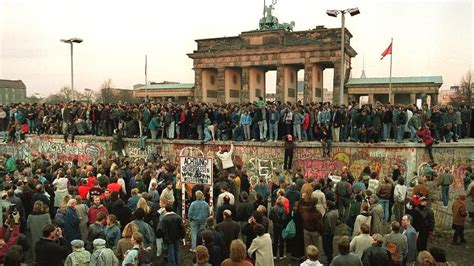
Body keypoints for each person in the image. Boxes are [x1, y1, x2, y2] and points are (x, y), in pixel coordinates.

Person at [160, 202, 184, 266]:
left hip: (168, 238)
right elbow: (182, 228)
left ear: (165, 209)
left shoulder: (164, 219)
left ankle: (172, 264)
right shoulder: (178, 217)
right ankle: (177, 263)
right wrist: (182, 236)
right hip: (177, 237)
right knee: (176, 251)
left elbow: (161, 230)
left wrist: (163, 237)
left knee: (170, 252)